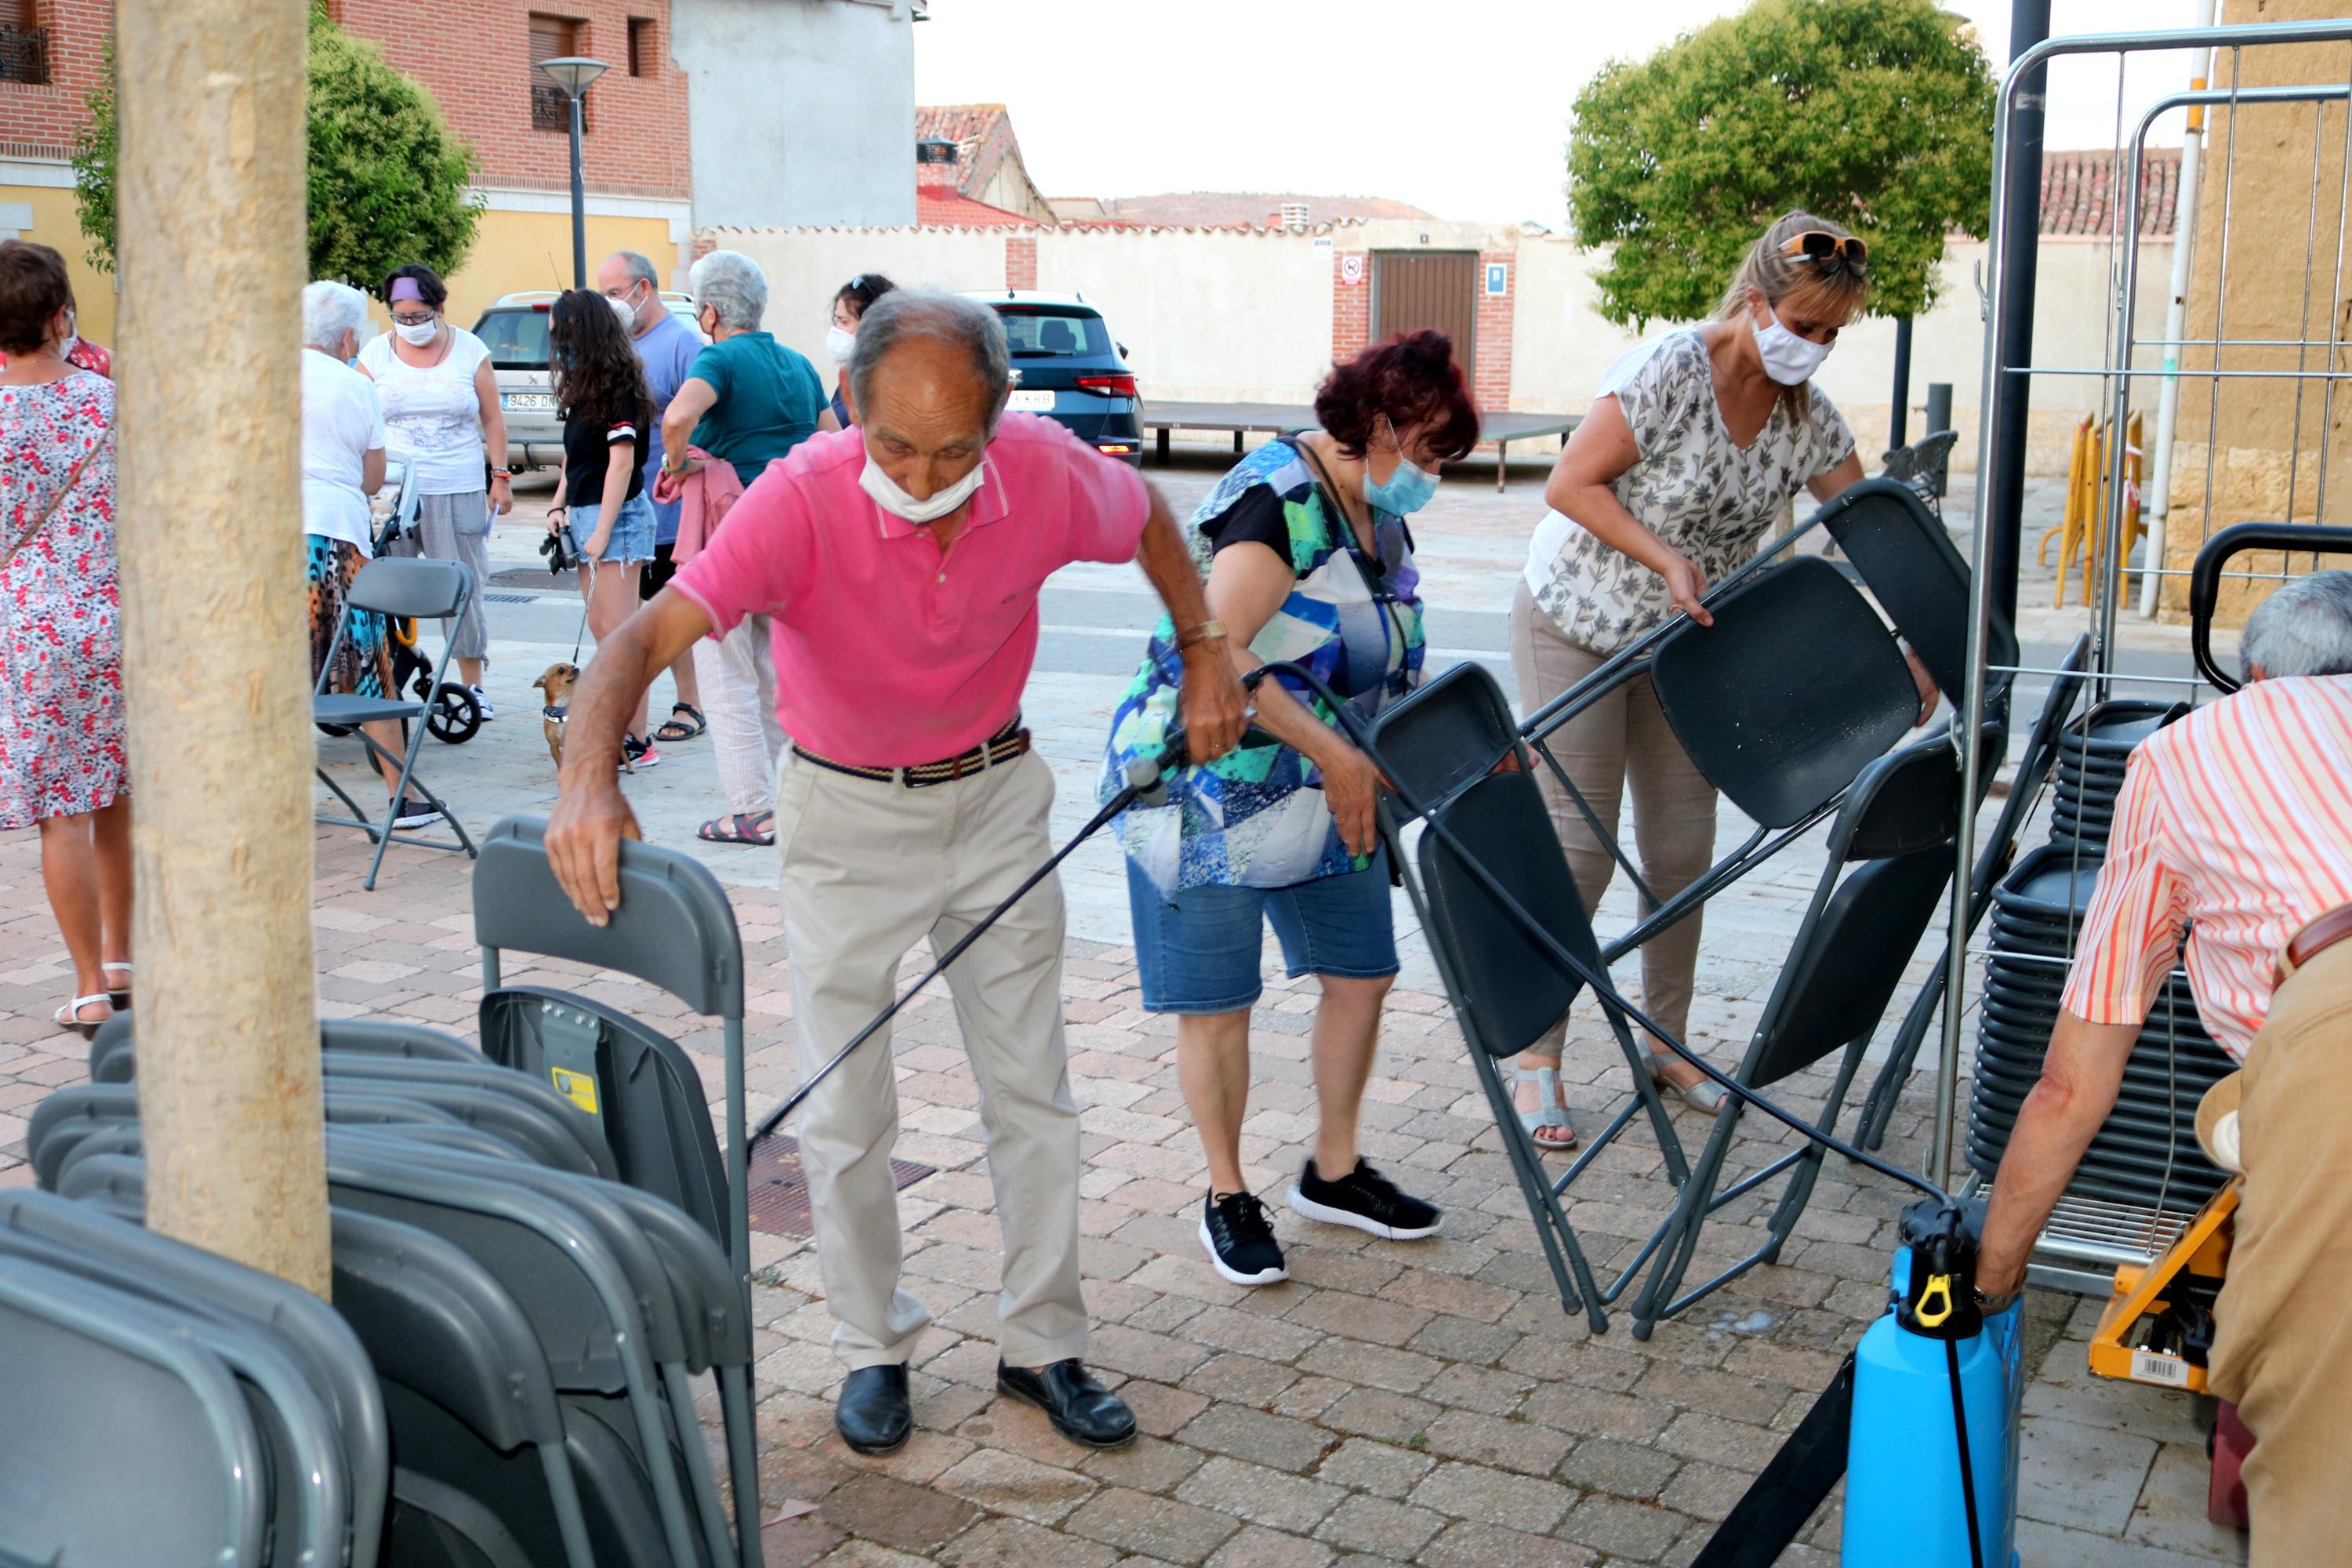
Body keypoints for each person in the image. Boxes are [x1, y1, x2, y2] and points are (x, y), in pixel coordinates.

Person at [543, 289, 1247, 1458]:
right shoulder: (802, 498)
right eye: (897, 447)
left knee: (1033, 1091)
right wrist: (584, 781)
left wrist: (1205, 648)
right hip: (845, 817)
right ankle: (873, 1348)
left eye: (955, 450)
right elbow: (642, 639)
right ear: (850, 408)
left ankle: (1044, 1344)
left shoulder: (1045, 469)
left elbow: (1149, 525)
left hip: (997, 797)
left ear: (997, 423)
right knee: (846, 1107)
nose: (923, 478)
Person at [1506, 210, 1934, 1149]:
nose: (1813, 347)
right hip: (1577, 620)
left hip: (1690, 649)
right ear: (1757, 301)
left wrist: (1919, 636)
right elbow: (1570, 484)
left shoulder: (1807, 418)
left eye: (1830, 335)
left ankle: (1667, 1042)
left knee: (1680, 853)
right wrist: (1665, 557)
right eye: (1804, 325)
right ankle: (1536, 1053)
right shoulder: (1667, 369)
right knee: (1579, 845)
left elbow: (1868, 523)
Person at [1977, 573, 2352, 1568]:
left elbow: (2072, 1080)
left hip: (2335, 1058)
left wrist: (1994, 1279)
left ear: (2256, 674)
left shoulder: (2183, 753)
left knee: (2322, 1469)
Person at [1102, 331, 1477, 1287]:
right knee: (1217, 1001)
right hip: (1199, 780)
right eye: (1426, 452)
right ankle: (1228, 1193)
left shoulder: (1376, 510)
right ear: (1378, 423)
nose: (1429, 476)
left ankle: (1335, 1170)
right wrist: (1338, 760)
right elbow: (1217, 648)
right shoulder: (1281, 498)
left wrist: (1454, 743)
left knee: (1362, 972)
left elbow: (1384, 650)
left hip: (1323, 782)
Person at [654, 249, 837, 847]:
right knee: (775, 674)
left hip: (731, 538)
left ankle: (753, 810)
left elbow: (678, 418)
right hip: (791, 538)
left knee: (725, 668)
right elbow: (832, 443)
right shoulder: (798, 365)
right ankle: (794, 803)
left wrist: (680, 466)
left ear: (708, 311)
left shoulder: (720, 358)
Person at [0, 241, 128, 1036]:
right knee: (118, 793)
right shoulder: (110, 401)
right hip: (120, 619)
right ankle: (122, 958)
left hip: (34, 632)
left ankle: (87, 984)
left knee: (64, 812)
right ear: (60, 316)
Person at [300, 281, 434, 829]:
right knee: (369, 663)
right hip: (332, 534)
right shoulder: (354, 385)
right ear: (349, 336)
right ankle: (402, 798)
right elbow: (374, 477)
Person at [356, 263, 510, 717]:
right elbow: (359, 418)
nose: (410, 325)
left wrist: (500, 476)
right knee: (390, 589)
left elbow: (492, 417)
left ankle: (473, 685)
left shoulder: (470, 349)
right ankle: (392, 679)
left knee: (462, 584)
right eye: (401, 317)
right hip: (394, 492)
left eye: (419, 316)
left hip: (456, 483)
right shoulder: (375, 355)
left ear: (439, 307)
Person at [544, 289, 662, 768]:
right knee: (605, 631)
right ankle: (622, 733)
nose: (555, 345)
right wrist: (558, 506)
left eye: (560, 335)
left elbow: (621, 463)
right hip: (591, 514)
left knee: (620, 636)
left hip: (619, 518)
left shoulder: (619, 388)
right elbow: (576, 458)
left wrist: (601, 532)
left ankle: (636, 739)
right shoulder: (584, 387)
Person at [598, 249, 706, 747]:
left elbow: (701, 422)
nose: (610, 303)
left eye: (615, 293)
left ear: (644, 289)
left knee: (673, 609)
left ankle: (691, 702)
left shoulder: (682, 344)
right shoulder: (616, 345)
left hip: (670, 507)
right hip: (626, 505)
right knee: (639, 611)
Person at [824, 272, 895, 426]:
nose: (837, 330)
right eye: (837, 321)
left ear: (872, 325)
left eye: (844, 322)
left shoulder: (884, 387)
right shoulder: (852, 378)